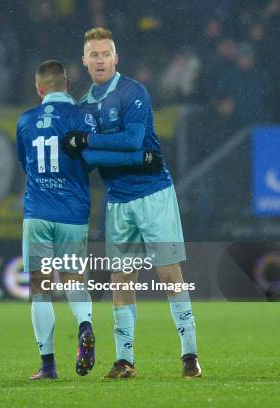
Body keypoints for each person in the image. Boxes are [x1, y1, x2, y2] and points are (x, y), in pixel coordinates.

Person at [64, 27, 202, 379]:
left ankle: (190, 355)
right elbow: (95, 161)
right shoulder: (82, 106)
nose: (99, 60)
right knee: (121, 281)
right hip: (119, 201)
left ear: (115, 58)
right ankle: (125, 360)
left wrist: (88, 142)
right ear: (84, 61)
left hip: (154, 194)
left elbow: (134, 139)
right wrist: (87, 150)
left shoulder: (132, 92)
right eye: (93, 55)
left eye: (105, 54)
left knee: (170, 274)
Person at [17, 60, 159, 380]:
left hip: (37, 212)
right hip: (72, 213)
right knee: (72, 280)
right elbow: (94, 157)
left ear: (39, 89)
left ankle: (48, 366)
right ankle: (85, 325)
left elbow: (25, 164)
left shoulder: (25, 121)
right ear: (68, 85)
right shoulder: (82, 116)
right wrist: (139, 159)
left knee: (40, 288)